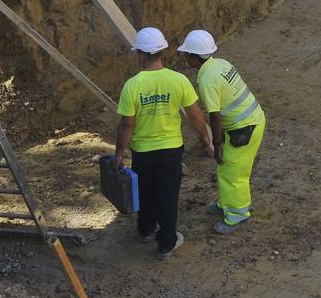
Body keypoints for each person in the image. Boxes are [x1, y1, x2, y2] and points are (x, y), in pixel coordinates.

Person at [113, 26, 212, 260]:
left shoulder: (133, 85)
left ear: (141, 54)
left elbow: (127, 125)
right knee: (168, 195)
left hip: (143, 152)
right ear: (161, 52)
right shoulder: (178, 80)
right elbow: (196, 115)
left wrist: (119, 154)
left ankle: (146, 230)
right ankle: (166, 244)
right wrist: (205, 138)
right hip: (171, 150)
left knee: (145, 192)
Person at [177, 29, 266, 234]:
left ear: (193, 57)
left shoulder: (207, 79)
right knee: (227, 168)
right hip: (250, 120)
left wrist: (216, 144)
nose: (184, 58)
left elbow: (214, 116)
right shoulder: (221, 63)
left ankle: (238, 214)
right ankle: (226, 203)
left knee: (234, 173)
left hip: (245, 128)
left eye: (186, 54)